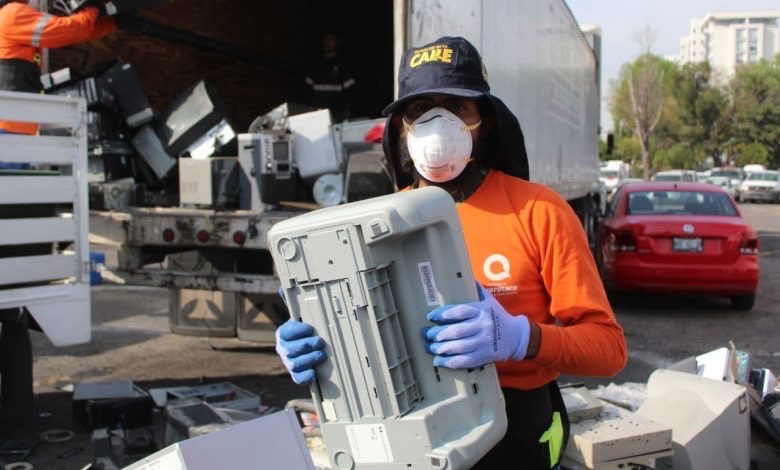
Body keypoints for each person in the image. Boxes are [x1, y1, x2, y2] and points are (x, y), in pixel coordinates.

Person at [276, 36, 628, 469]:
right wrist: (314, 348)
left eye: (457, 107)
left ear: (486, 120)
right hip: (412, 428)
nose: (435, 123)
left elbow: (608, 349)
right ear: (402, 128)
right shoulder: (375, 223)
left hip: (515, 430)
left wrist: (520, 338)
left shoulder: (538, 211)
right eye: (418, 110)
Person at [0, 0, 116, 141]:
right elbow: (67, 30)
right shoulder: (12, 14)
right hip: (11, 126)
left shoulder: (7, 17)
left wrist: (111, 24)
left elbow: (70, 33)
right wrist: (93, 7)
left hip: (13, 124)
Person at [303, 30, 359, 123]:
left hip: (337, 113)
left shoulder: (344, 63)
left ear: (338, 42)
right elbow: (307, 89)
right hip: (317, 111)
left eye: (331, 39)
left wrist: (347, 110)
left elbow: (351, 91)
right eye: (326, 39)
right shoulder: (316, 61)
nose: (328, 42)